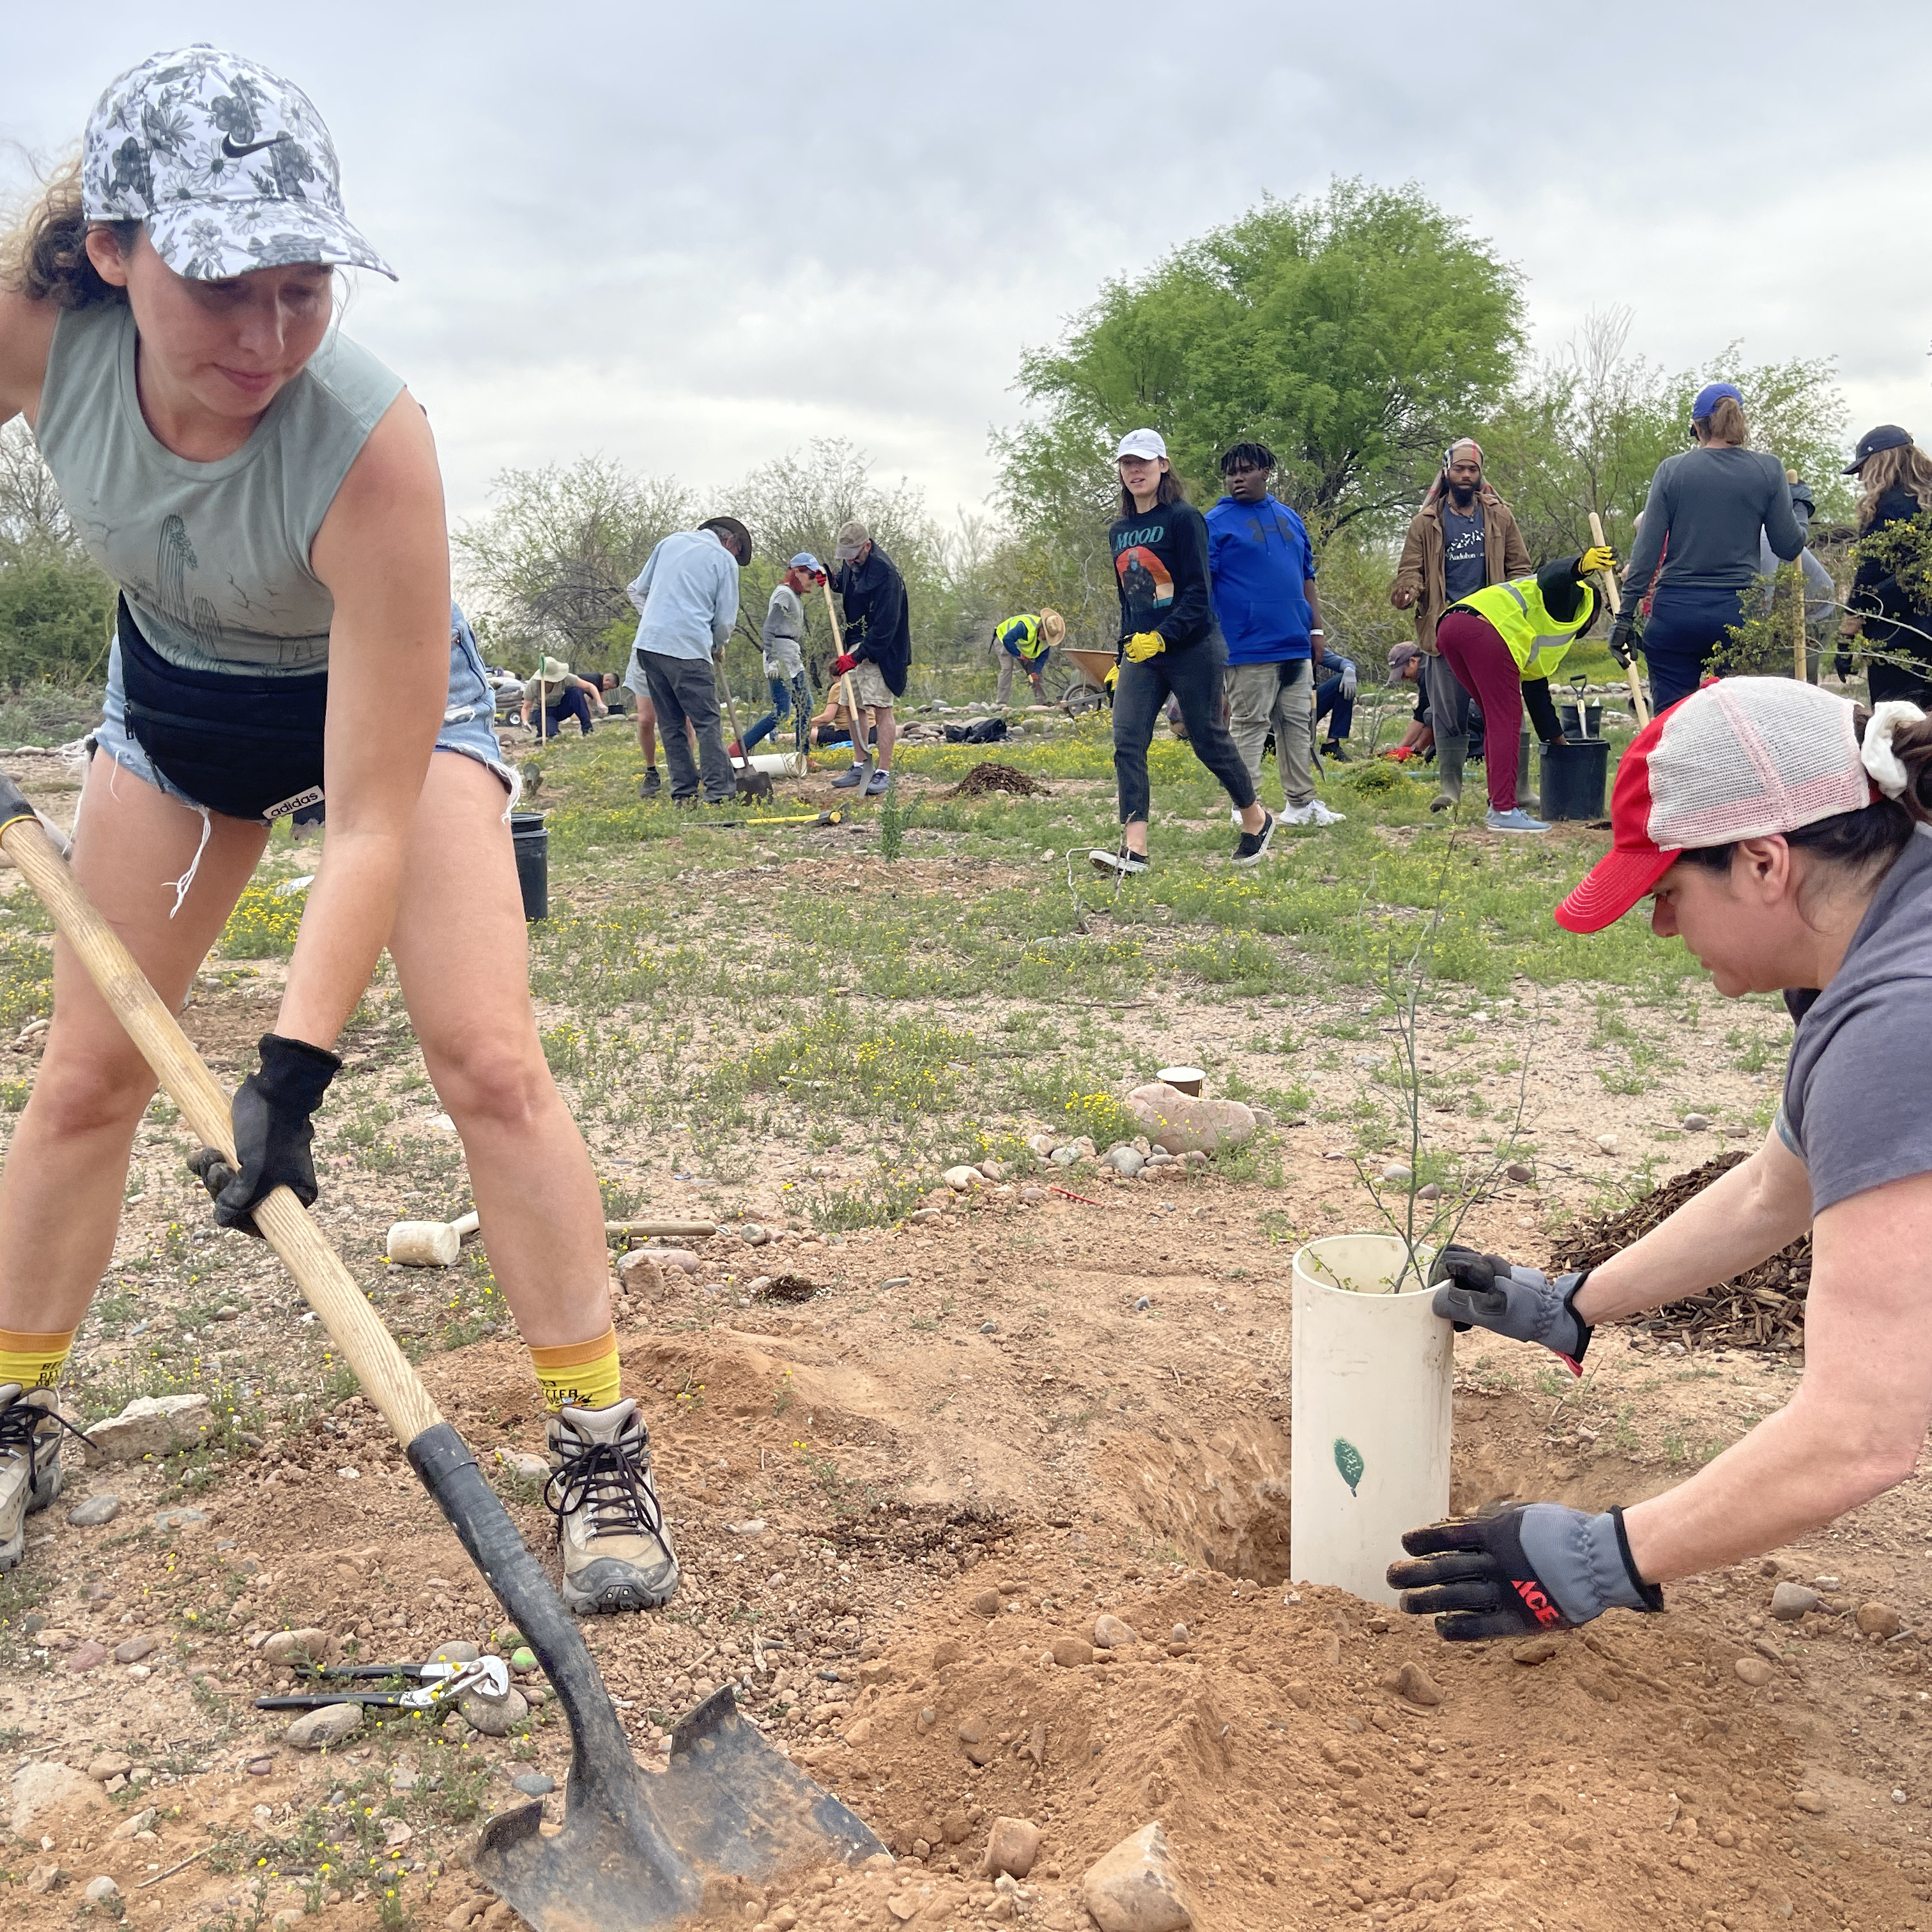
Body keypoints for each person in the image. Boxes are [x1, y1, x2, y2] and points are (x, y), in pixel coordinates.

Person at [0, 48, 677, 1611]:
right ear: (114, 251)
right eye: (226, 288)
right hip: (173, 703)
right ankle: (19, 1407)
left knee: (490, 1062)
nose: (267, 337)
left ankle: (599, 1439)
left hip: (385, 710)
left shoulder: (370, 443)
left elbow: (366, 816)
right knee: (89, 1075)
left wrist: (289, 1077)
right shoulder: (41, 334)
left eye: (304, 288)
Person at [1390, 677, 1932, 1641]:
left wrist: (1605, 1557)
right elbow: (1778, 1191)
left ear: (1765, 862)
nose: (1662, 926)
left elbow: (1860, 1436)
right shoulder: (1884, 935)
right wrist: (1572, 1302)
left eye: (1671, 890)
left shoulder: (1900, 1020)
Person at [1091, 429, 1275, 876]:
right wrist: (1123, 654)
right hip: (1142, 654)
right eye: (1128, 464)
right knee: (1127, 740)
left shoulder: (1184, 519)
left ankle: (1256, 817)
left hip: (1193, 646)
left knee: (1206, 737)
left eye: (1144, 462)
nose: (1136, 471)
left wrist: (1164, 636)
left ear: (1163, 466)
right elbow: (1130, 601)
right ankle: (1135, 849)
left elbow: (1197, 594)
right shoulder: (1120, 530)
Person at [1611, 383, 1811, 714]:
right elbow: (1789, 547)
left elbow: (1645, 554)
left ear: (1698, 428)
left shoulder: (1672, 470)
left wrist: (1625, 617)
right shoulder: (1768, 470)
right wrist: (1800, 506)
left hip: (1676, 615)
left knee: (1672, 726)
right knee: (1735, 726)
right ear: (1740, 424)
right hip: (1737, 616)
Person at [1390, 438, 1532, 813]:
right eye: (1459, 469)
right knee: (1447, 714)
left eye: (1472, 470)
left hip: (1495, 632)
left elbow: (1520, 569)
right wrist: (1408, 590)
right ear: (1446, 472)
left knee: (1505, 711)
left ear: (1480, 473)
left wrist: (1522, 612)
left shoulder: (1500, 516)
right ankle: (1450, 788)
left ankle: (1519, 788)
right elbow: (1410, 570)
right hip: (1445, 633)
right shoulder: (1426, 522)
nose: (1466, 476)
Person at [1206, 441, 1342, 829]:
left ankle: (1302, 804)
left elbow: (1307, 577)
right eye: (1231, 473)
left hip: (1295, 641)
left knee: (1297, 724)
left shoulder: (1290, 518)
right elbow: (1203, 585)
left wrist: (1315, 628)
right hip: (1247, 644)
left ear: (1266, 471)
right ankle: (1243, 808)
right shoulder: (1213, 523)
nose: (1237, 479)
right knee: (1249, 725)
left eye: (1246, 470)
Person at [1432, 548, 1612, 832]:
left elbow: (1536, 691)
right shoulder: (1575, 598)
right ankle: (1504, 811)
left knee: (1497, 717)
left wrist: (1558, 742)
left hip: (1451, 627)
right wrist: (1581, 566)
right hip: (1484, 629)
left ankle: (1498, 805)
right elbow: (1549, 577)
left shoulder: (1542, 626)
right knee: (1506, 718)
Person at [623, 515, 750, 806]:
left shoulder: (671, 542)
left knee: (670, 723)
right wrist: (717, 643)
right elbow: (725, 618)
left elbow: (638, 589)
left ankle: (683, 794)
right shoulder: (724, 560)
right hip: (688, 648)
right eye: (737, 553)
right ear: (730, 542)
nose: (735, 557)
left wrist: (659, 620)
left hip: (649, 646)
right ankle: (719, 792)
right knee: (706, 722)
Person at [1837, 425, 1932, 707]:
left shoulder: (1884, 508)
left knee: (1897, 733)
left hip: (1896, 642)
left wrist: (1845, 640)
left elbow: (1867, 583)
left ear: (1880, 461)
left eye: (1862, 469)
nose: (1861, 479)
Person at [827, 520, 909, 797]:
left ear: (867, 547)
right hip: (855, 642)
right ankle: (860, 764)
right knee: (852, 705)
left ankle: (884, 771)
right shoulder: (853, 565)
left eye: (854, 556)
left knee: (881, 708)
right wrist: (832, 580)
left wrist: (859, 657)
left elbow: (886, 627)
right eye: (845, 557)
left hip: (882, 650)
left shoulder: (887, 575)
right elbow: (850, 587)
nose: (849, 562)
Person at [737, 553, 821, 756]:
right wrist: (772, 661)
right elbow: (768, 629)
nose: (813, 580)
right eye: (810, 574)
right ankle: (739, 749)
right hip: (779, 657)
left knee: (806, 707)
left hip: (792, 657)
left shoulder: (794, 596)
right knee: (782, 712)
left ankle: (803, 755)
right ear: (797, 572)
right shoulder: (784, 594)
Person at [991, 608, 1065, 706]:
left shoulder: (1046, 642)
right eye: (1045, 635)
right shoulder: (1025, 627)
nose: (1046, 639)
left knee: (1034, 675)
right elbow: (1007, 639)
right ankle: (1001, 703)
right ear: (1041, 628)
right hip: (1003, 639)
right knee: (1007, 669)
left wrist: (1035, 672)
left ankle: (1042, 703)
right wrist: (1019, 655)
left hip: (1021, 647)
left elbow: (1041, 659)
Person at [520, 656, 608, 738]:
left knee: (576, 692)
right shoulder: (534, 684)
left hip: (560, 708)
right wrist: (525, 722)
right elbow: (526, 707)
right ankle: (545, 731)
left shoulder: (566, 677)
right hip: (543, 712)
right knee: (552, 734)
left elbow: (590, 686)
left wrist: (599, 702)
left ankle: (587, 729)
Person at [1384, 642, 1433, 761]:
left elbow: (1429, 716)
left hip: (1474, 712)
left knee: (1430, 715)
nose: (1403, 678)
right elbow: (1421, 714)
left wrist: (1410, 751)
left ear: (1413, 661)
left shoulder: (1429, 673)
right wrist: (1402, 749)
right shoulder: (1428, 668)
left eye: (1403, 672)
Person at [1314, 645, 1358, 762]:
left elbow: (1342, 662)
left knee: (1344, 681)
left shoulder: (1310, 646)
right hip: (1281, 709)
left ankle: (1331, 745)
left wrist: (1349, 669)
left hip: (1308, 704)